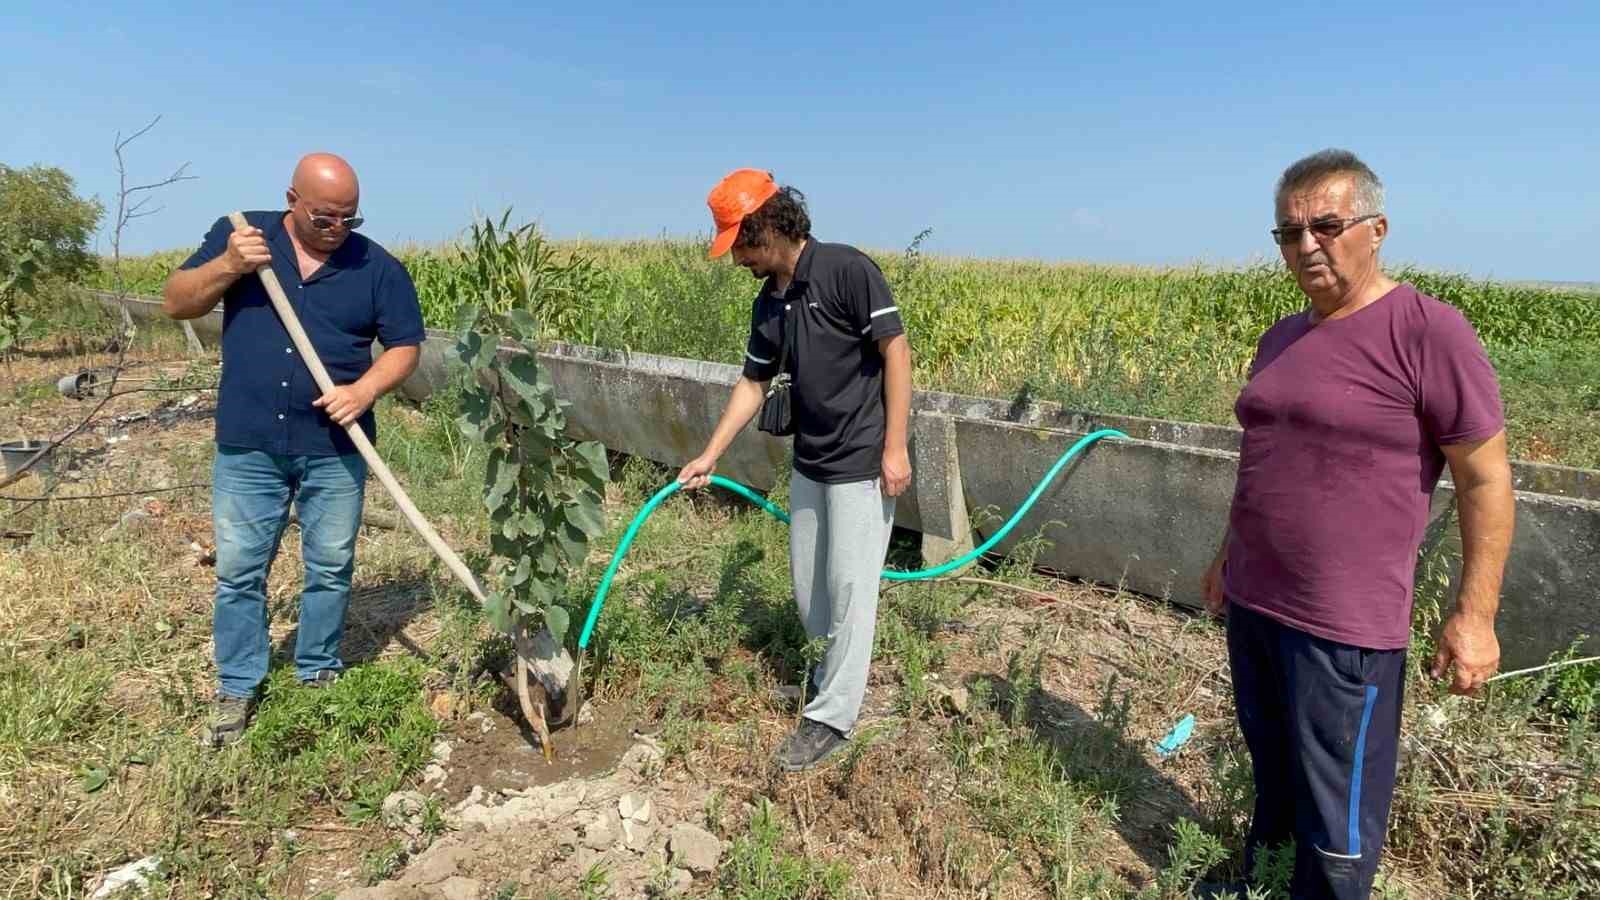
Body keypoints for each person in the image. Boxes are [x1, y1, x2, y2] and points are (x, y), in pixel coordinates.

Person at [1200, 149, 1515, 899]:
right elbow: (1263, 461)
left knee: (1338, 808)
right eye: (1287, 232)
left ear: (1376, 229)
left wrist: (1475, 615)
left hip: (1343, 626)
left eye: (1326, 225)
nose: (1305, 245)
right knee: (1272, 765)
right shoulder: (1281, 337)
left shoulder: (1428, 331)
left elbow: (1485, 477)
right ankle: (1262, 874)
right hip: (1256, 600)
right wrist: (1226, 557)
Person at [163, 153, 426, 746]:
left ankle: (316, 673)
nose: (338, 230)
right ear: (291, 199)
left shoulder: (377, 267)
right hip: (249, 441)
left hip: (334, 447)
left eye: (349, 219)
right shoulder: (241, 236)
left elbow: (405, 347)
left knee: (330, 567)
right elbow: (178, 301)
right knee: (238, 572)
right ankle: (237, 685)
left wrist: (364, 390)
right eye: (325, 217)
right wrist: (230, 264)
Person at [676, 169, 913, 772]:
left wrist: (895, 446)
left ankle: (833, 718)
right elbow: (752, 384)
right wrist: (710, 454)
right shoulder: (769, 303)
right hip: (810, 460)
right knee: (811, 588)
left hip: (861, 459)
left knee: (850, 589)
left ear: (768, 229)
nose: (738, 262)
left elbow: (896, 350)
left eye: (741, 246)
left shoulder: (845, 270)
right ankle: (826, 680)